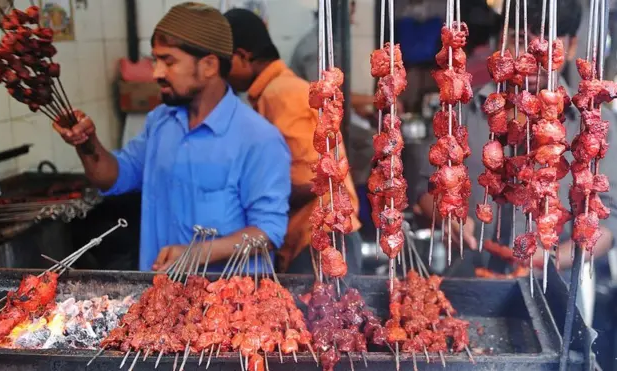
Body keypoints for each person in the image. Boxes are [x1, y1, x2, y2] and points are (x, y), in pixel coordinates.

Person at [52, 2, 291, 272]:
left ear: (210, 65)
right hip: (161, 298)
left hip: (229, 305)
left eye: (169, 61)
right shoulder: (160, 122)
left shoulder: (259, 139)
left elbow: (268, 233)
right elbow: (113, 177)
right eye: (155, 59)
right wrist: (86, 142)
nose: (156, 72)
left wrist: (197, 253)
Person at [413, 0, 617, 276]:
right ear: (501, 44)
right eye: (520, 39)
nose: (530, 57)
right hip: (468, 277)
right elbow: (426, 186)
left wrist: (554, 260)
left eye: (547, 44)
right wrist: (446, 216)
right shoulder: (461, 110)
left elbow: (610, 221)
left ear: (569, 48)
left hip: (554, 284)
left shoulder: (597, 125)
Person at [223, 8, 364, 274]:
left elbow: (310, 181)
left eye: (224, 63)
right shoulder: (274, 92)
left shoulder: (281, 95)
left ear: (242, 56)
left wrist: (245, 198)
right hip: (315, 241)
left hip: (323, 242)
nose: (221, 74)